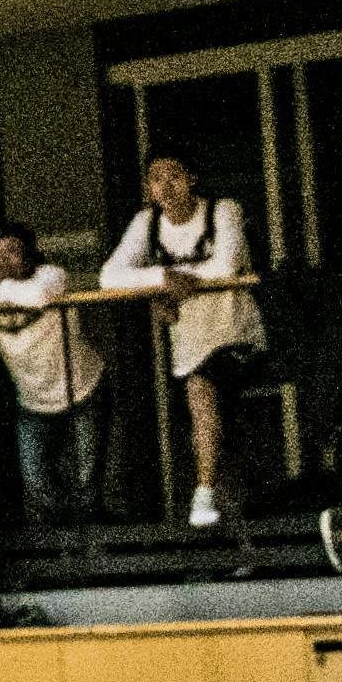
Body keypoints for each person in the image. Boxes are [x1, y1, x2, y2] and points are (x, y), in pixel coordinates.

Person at [102, 152, 266, 527]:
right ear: (148, 188)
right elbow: (109, 276)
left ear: (191, 177)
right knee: (216, 436)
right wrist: (162, 279)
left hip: (236, 335)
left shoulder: (222, 210)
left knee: (202, 397)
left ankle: (203, 494)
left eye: (174, 175)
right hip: (190, 343)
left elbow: (226, 264)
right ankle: (233, 528)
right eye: (156, 179)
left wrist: (172, 280)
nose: (166, 186)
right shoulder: (148, 222)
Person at [0, 227, 108, 525]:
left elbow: (38, 295)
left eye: (12, 251)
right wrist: (3, 292)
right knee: (37, 487)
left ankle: (94, 558)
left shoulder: (50, 274)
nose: (2, 259)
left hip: (83, 390)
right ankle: (63, 555)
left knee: (87, 487)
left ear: (29, 257)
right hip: (32, 402)